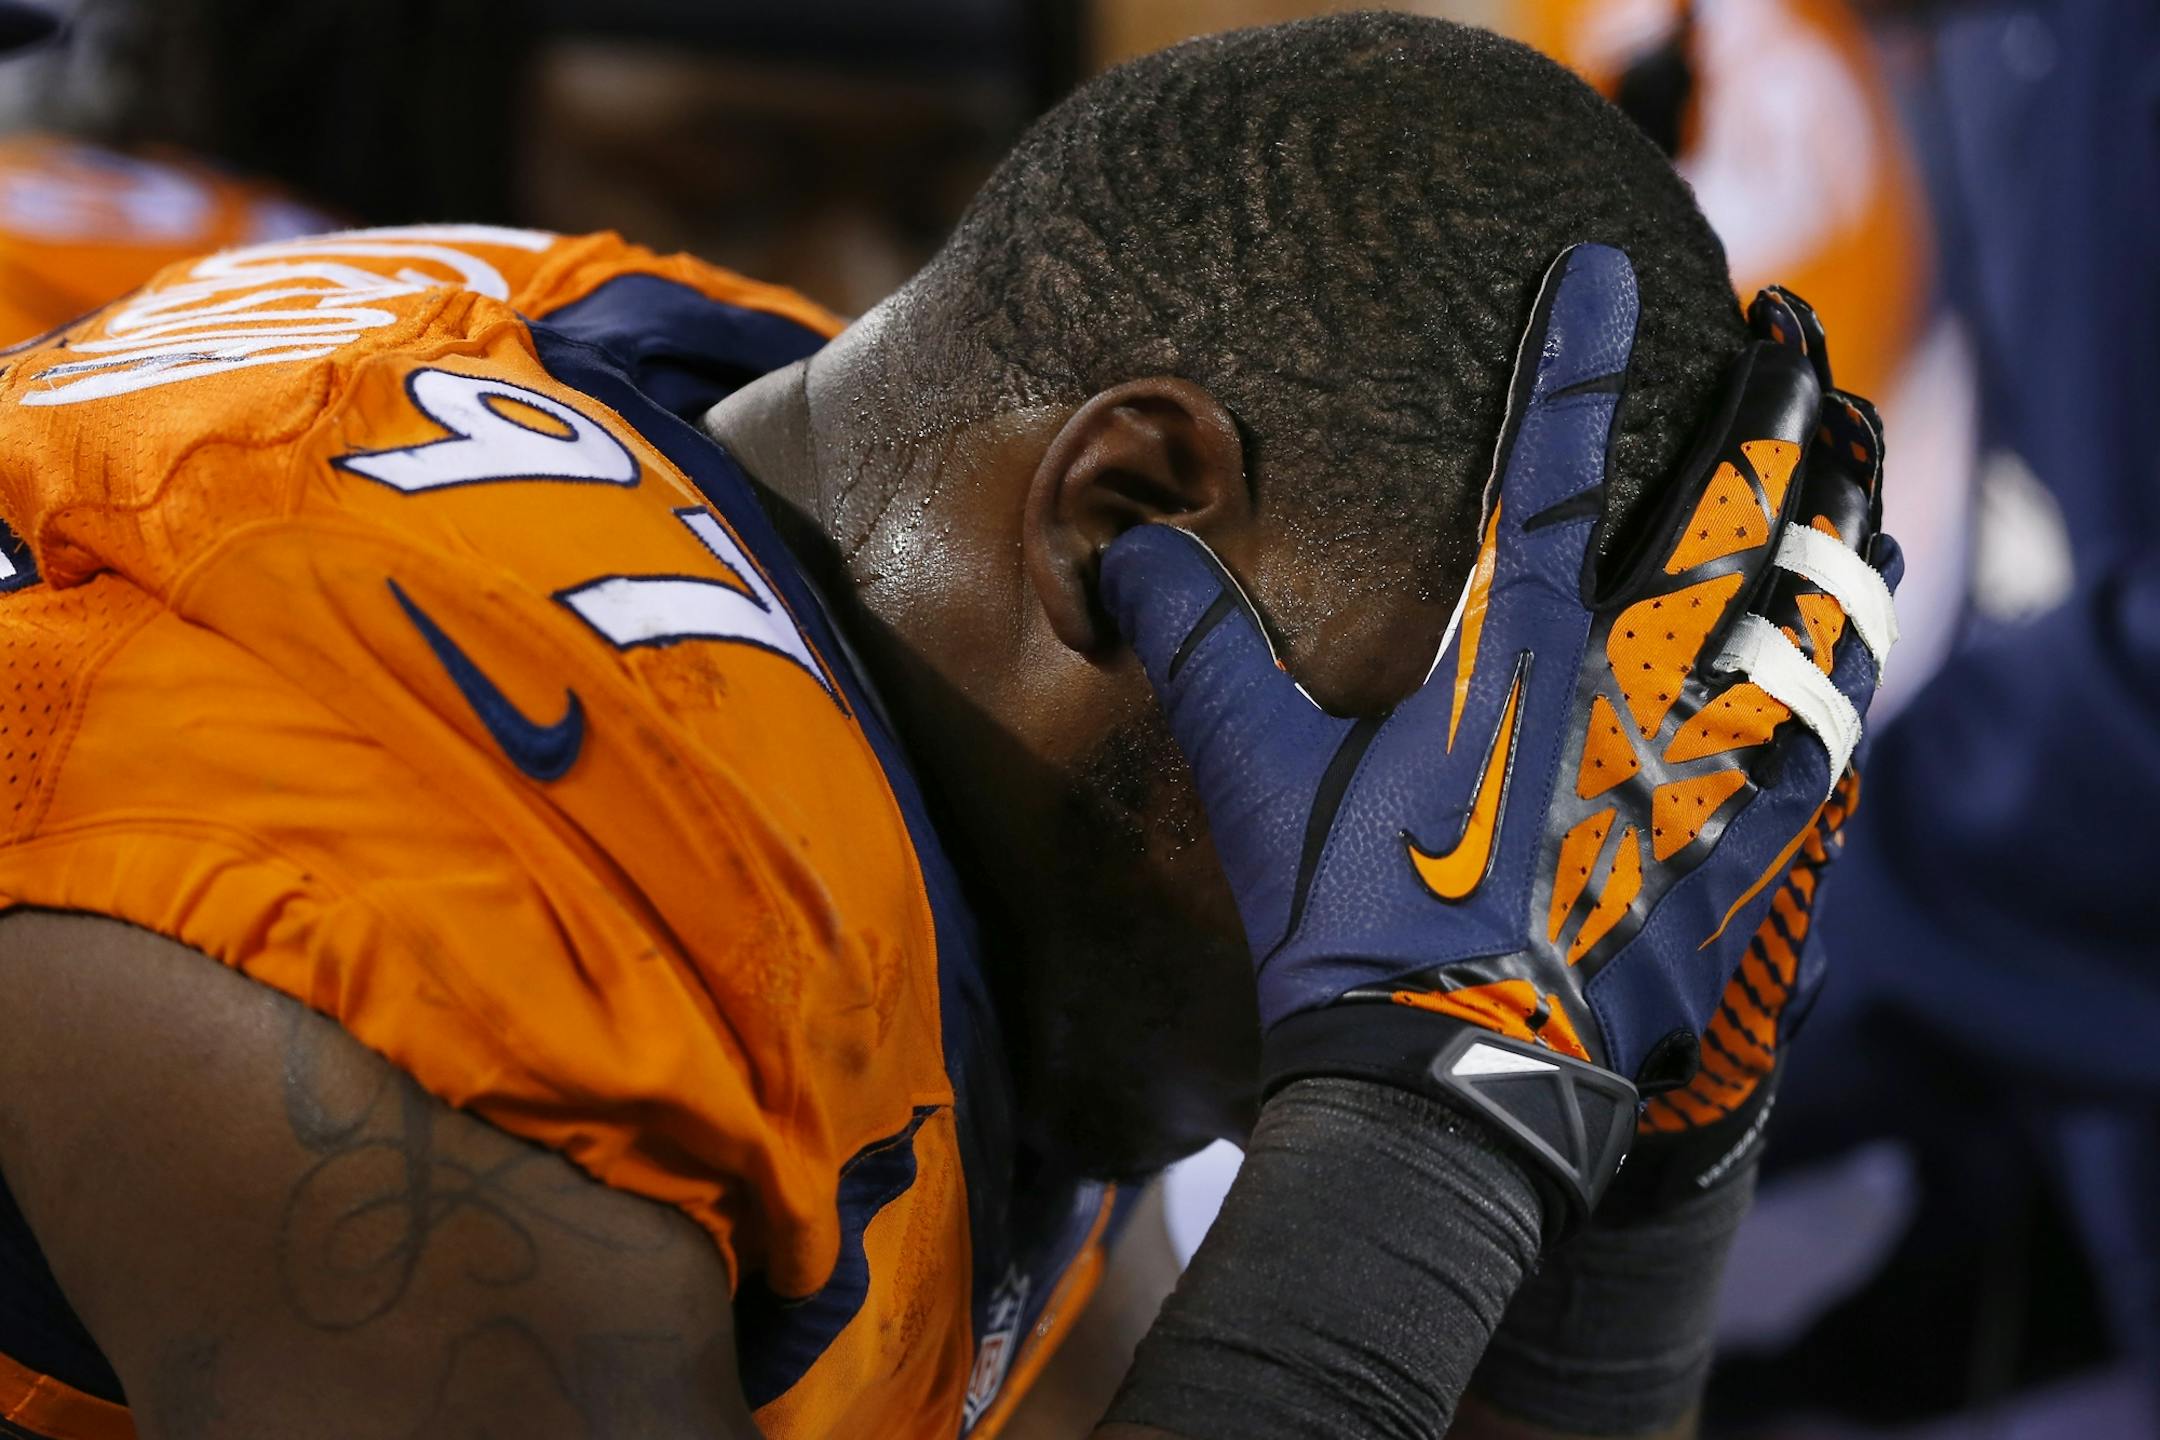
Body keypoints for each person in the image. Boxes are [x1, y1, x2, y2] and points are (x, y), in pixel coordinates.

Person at [0, 14, 1898, 1438]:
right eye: (1458, 748)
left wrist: (1649, 1155)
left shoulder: (847, 521)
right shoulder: (419, 918)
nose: (1533, 887)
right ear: (1123, 525)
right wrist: (1444, 1122)